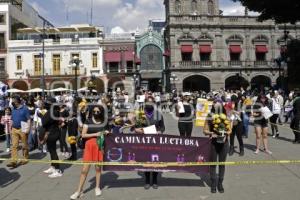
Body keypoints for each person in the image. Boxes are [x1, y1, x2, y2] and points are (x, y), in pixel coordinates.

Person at [70, 105, 109, 199]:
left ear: (101, 112)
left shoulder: (104, 122)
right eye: (94, 111)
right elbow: (83, 135)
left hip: (99, 146)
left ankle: (97, 187)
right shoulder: (88, 121)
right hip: (89, 147)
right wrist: (96, 134)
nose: (96, 113)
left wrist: (107, 132)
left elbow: (107, 131)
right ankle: (79, 190)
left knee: (98, 168)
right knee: (84, 170)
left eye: (98, 111)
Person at [135, 96, 165, 190]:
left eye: (151, 103)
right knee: (146, 161)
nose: (149, 105)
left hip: (155, 141)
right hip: (144, 141)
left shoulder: (158, 114)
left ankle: (155, 180)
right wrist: (138, 130)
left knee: (155, 161)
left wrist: (160, 131)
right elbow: (135, 128)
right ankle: (147, 180)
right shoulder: (140, 114)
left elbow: (162, 127)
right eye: (148, 103)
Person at [203, 99, 232, 193]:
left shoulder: (227, 116)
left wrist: (225, 134)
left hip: (224, 142)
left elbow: (230, 130)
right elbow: (204, 131)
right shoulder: (209, 116)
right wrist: (212, 133)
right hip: (213, 143)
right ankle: (213, 183)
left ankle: (220, 183)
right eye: (215, 105)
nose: (216, 106)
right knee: (212, 164)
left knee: (222, 164)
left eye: (218, 105)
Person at [6, 96, 31, 168]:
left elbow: (29, 119)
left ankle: (25, 158)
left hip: (23, 128)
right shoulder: (13, 109)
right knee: (14, 145)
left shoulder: (25, 109)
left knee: (24, 145)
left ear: (16, 101)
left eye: (13, 101)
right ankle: (13, 161)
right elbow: (12, 119)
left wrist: (28, 128)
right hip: (14, 129)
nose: (12, 102)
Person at [41, 97, 63, 178]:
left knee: (53, 151)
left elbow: (44, 122)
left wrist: (42, 116)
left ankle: (57, 170)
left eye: (47, 103)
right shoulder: (53, 111)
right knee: (51, 150)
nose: (45, 104)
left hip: (52, 133)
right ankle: (53, 166)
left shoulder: (52, 112)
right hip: (53, 132)